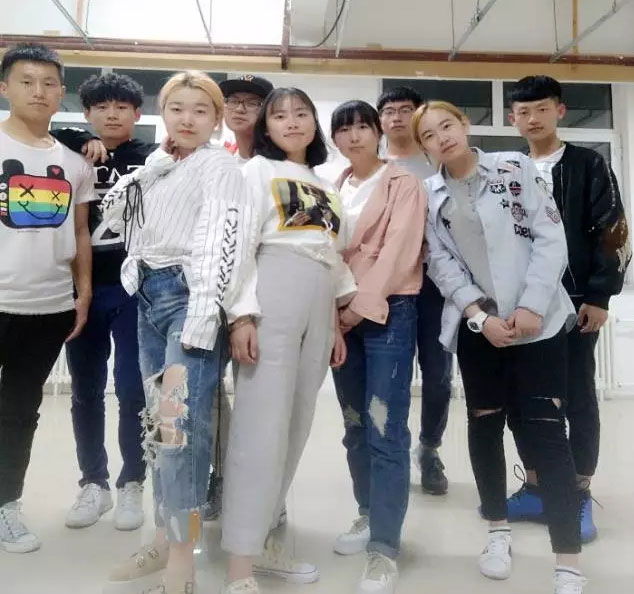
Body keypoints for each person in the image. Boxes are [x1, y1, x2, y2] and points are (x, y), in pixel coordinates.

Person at [414, 100, 586, 594]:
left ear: (465, 125)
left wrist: (531, 306)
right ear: (424, 147)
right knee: (484, 426)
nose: (442, 138)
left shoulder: (515, 167)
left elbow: (551, 239)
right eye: (430, 135)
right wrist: (479, 315)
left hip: (540, 325)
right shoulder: (430, 194)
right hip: (480, 330)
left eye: (448, 125)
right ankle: (497, 532)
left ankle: (568, 561)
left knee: (547, 433)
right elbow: (441, 264)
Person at [100, 71, 253, 594]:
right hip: (146, 297)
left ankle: (182, 564)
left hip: (189, 301)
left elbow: (222, 243)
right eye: (177, 108)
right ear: (162, 115)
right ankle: (167, 540)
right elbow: (113, 215)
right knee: (159, 428)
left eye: (200, 110)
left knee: (180, 432)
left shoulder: (220, 166)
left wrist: (203, 318)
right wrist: (155, 165)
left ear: (216, 119)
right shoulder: (162, 166)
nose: (187, 119)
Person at [220, 87, 354, 594]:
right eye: (279, 115)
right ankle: (239, 568)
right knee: (260, 427)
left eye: (301, 114)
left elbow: (332, 254)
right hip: (273, 289)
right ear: (266, 127)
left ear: (314, 124)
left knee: (296, 425)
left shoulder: (325, 184)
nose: (291, 122)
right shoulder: (255, 170)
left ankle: (264, 542)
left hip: (319, 301)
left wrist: (335, 323)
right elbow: (239, 245)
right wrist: (241, 315)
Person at [506, 75, 630, 543]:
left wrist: (600, 295)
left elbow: (614, 231)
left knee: (576, 394)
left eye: (542, 108)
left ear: (559, 111)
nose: (532, 118)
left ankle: (578, 492)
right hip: (522, 304)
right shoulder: (509, 168)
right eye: (523, 111)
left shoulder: (588, 164)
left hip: (577, 302)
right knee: (523, 396)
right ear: (513, 118)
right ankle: (537, 487)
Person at [0, 43, 93, 553]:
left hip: (48, 306)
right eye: (26, 81)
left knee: (19, 409)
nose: (38, 91)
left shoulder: (74, 163)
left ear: (61, 92)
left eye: (49, 83)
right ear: (5, 88)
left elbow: (79, 232)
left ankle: (6, 503)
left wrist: (84, 292)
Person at [330, 100, 426, 594]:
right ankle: (367, 512)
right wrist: (334, 314)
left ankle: (384, 548)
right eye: (344, 129)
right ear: (334, 138)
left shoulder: (403, 183)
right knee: (354, 425)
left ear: (378, 132)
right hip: (338, 316)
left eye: (362, 127)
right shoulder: (332, 186)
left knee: (385, 426)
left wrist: (358, 308)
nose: (354, 136)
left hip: (388, 310)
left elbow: (399, 251)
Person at [55, 73, 153, 533]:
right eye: (102, 107)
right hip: (81, 288)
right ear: (87, 112)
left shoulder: (150, 156)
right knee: (85, 390)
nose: (112, 115)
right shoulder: (68, 151)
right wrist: (80, 138)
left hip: (135, 289)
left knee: (133, 390)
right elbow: (45, 130)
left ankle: (132, 480)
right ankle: (93, 482)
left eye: (121, 107)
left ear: (137, 113)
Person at [203, 74, 274, 522]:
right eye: (232, 100)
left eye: (252, 101)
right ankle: (223, 477)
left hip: (265, 296)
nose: (241, 108)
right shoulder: (214, 160)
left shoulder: (280, 163)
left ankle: (264, 491)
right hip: (215, 294)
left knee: (259, 397)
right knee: (210, 393)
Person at [377, 86, 450, 495]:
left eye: (406, 110)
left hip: (437, 284)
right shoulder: (374, 165)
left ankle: (430, 448)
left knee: (438, 374)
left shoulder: (437, 163)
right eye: (389, 111)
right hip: (392, 285)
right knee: (394, 375)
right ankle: (394, 453)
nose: (397, 117)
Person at [219, 74, 274, 163]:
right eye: (233, 101)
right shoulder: (223, 159)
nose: (239, 109)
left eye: (251, 103)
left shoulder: (274, 163)